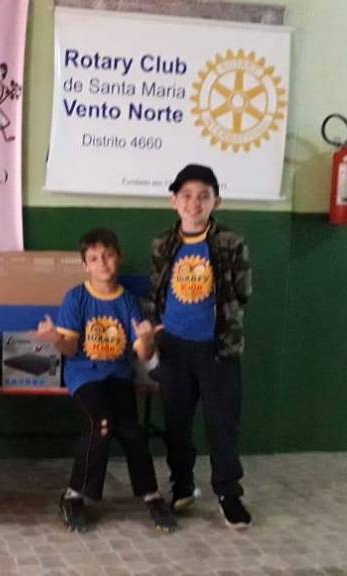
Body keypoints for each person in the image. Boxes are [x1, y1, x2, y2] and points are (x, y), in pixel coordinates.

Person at [37, 228, 176, 534]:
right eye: (94, 258)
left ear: (118, 257)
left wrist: (147, 340)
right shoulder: (76, 298)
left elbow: (142, 353)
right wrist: (54, 339)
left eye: (108, 256)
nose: (102, 263)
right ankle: (74, 495)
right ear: (85, 265)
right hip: (84, 375)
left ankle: (151, 495)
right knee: (101, 422)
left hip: (118, 375)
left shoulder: (128, 302)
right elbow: (70, 348)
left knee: (131, 430)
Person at [146, 163, 253, 529]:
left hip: (217, 348)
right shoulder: (162, 244)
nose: (194, 204)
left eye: (204, 197)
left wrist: (222, 325)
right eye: (187, 196)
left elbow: (242, 292)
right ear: (174, 201)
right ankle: (182, 484)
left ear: (215, 202)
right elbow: (156, 290)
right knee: (176, 423)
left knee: (222, 424)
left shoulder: (230, 243)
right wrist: (157, 332)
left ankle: (229, 494)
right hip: (174, 347)